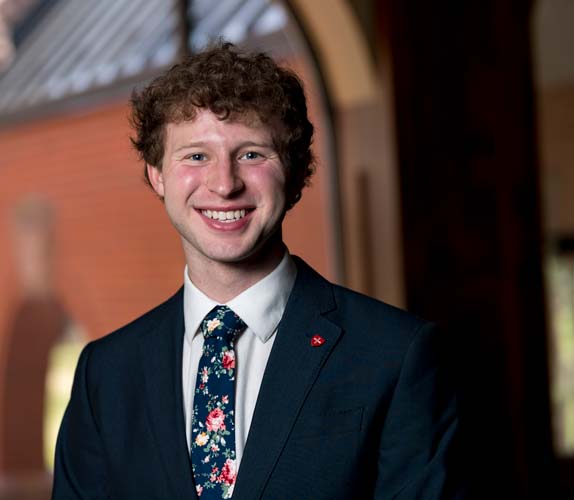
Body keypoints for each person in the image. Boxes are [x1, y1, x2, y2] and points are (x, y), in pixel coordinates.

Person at [52, 42, 463, 499]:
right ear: (157, 175)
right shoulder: (105, 374)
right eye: (195, 156)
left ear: (294, 169)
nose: (225, 184)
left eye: (252, 154)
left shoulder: (396, 355)